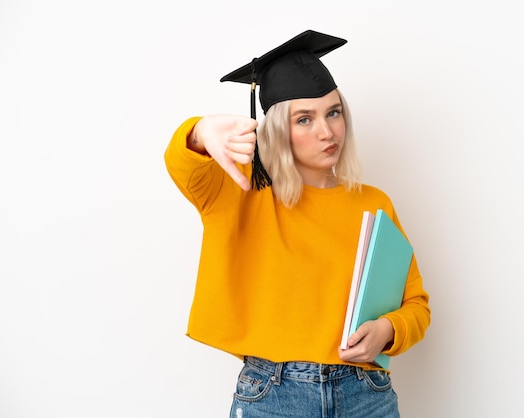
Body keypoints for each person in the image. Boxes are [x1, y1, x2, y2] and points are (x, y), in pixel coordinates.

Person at [164, 30, 430, 418]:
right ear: (276, 130)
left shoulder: (374, 204)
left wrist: (388, 331)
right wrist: (201, 131)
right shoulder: (240, 190)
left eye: (333, 112)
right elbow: (183, 164)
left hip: (366, 395)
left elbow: (416, 306)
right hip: (274, 395)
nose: (327, 132)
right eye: (304, 119)